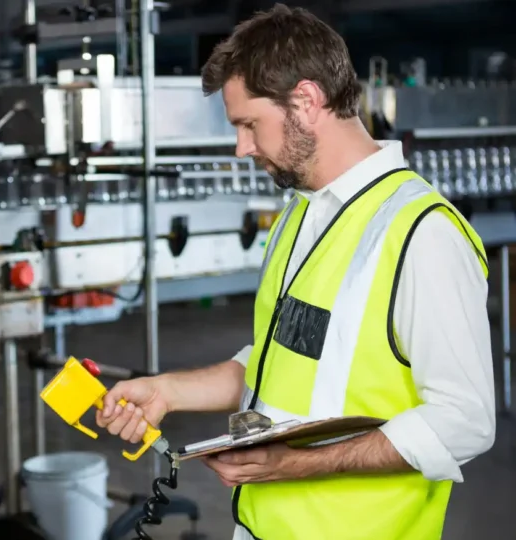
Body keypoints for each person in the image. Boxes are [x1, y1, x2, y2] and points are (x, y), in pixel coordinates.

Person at [95, 4, 496, 540]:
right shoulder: (302, 212)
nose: (242, 148)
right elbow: (276, 364)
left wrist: (294, 465)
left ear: (306, 101)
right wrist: (168, 391)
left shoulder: (421, 233)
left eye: (248, 125)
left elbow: (464, 420)